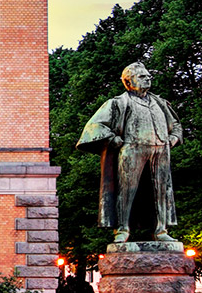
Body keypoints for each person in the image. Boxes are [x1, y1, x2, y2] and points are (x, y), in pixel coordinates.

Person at [76, 62, 182, 244]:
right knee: (127, 191)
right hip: (132, 149)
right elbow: (94, 125)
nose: (148, 78)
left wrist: (174, 138)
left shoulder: (160, 103)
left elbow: (176, 125)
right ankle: (122, 229)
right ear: (128, 81)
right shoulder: (118, 103)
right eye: (142, 76)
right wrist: (112, 138)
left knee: (161, 191)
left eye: (148, 76)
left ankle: (161, 230)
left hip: (161, 150)